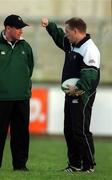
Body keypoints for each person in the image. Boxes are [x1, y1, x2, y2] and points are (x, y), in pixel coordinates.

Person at [41, 17, 100, 172]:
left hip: (82, 95)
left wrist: (78, 88)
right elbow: (60, 37)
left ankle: (88, 165)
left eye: (68, 32)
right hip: (71, 94)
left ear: (75, 31)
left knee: (80, 130)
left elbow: (90, 75)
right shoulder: (72, 44)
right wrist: (49, 26)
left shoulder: (89, 49)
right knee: (69, 130)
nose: (66, 35)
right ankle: (74, 165)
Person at [0, 14, 34, 171]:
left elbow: (29, 68)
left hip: (22, 97)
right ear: (7, 28)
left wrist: (21, 84)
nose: (21, 31)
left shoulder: (26, 47)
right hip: (2, 97)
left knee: (21, 133)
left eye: (22, 28)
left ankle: (20, 166)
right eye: (18, 28)